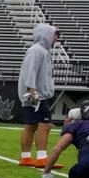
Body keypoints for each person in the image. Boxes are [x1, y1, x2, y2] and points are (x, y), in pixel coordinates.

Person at [17, 23, 58, 167]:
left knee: (31, 125)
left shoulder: (40, 51)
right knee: (44, 124)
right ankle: (41, 158)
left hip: (35, 93)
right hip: (36, 94)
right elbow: (30, 70)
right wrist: (31, 89)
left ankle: (26, 157)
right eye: (55, 35)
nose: (56, 39)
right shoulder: (37, 50)